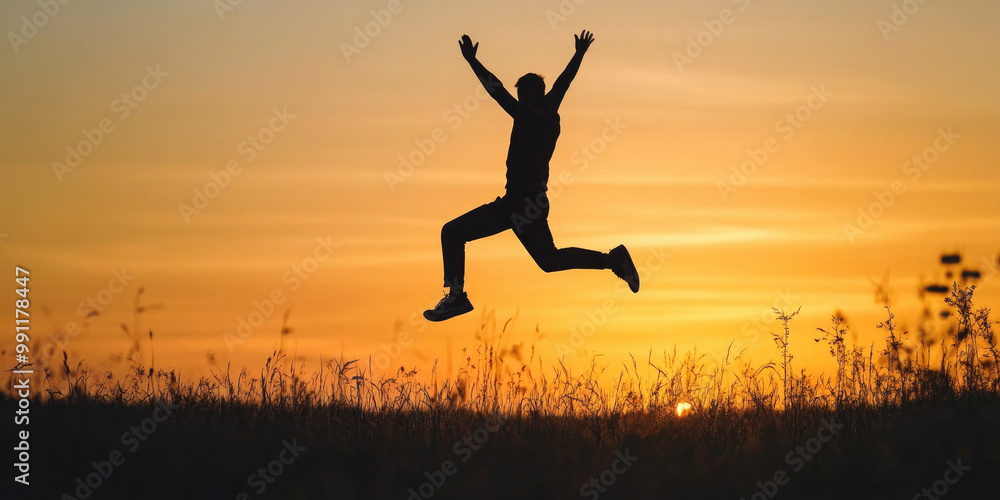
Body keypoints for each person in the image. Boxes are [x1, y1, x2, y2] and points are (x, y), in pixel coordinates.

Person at [424, 30, 639, 322]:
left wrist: (473, 62)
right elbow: (553, 84)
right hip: (529, 204)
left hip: (518, 204)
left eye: (521, 97)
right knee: (549, 260)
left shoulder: (533, 115)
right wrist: (578, 54)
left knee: (452, 232)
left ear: (530, 97)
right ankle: (611, 260)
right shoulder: (542, 114)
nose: (517, 102)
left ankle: (457, 297)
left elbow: (501, 89)